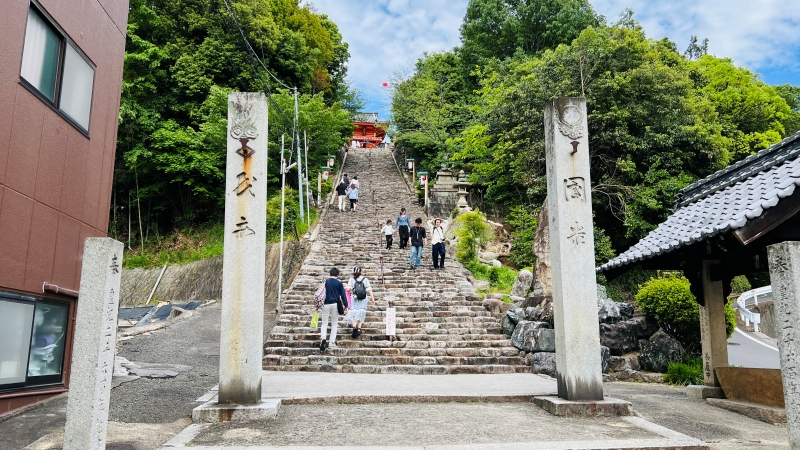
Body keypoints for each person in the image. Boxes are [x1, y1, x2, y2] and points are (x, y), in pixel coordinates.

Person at [319, 267, 348, 351]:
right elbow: (343, 295)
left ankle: (323, 339)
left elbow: (320, 293)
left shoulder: (325, 282)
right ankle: (331, 342)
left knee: (324, 323)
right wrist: (346, 306)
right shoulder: (339, 283)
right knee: (334, 323)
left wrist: (317, 305)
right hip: (335, 304)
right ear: (337, 275)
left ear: (330, 274)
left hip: (326, 304)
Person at [344, 266, 376, 338]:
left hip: (354, 298)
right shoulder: (365, 279)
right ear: (361, 272)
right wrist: (372, 299)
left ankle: (354, 326)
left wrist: (346, 288)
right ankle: (359, 328)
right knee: (361, 312)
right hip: (363, 298)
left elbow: (348, 289)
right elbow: (369, 289)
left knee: (353, 312)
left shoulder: (351, 279)